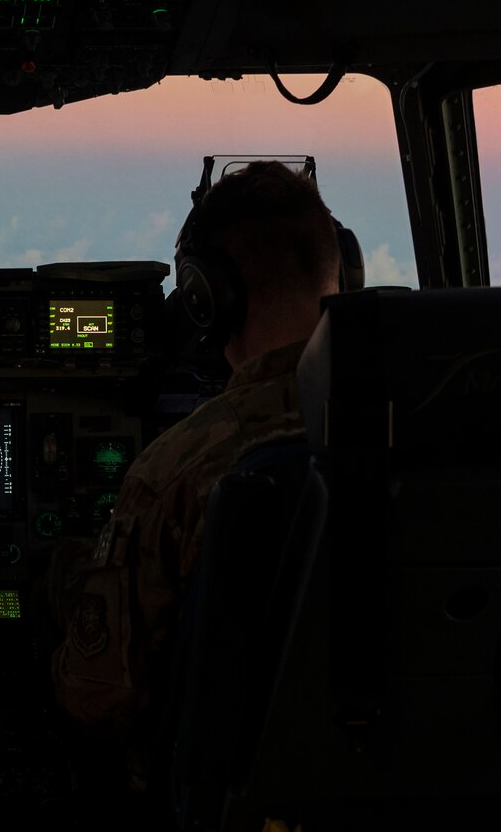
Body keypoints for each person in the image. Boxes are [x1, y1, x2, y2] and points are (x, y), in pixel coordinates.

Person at [50, 160, 343, 789]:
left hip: (235, 831)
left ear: (206, 295)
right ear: (343, 269)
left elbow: (99, 701)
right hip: (432, 815)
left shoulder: (180, 468)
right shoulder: (443, 429)